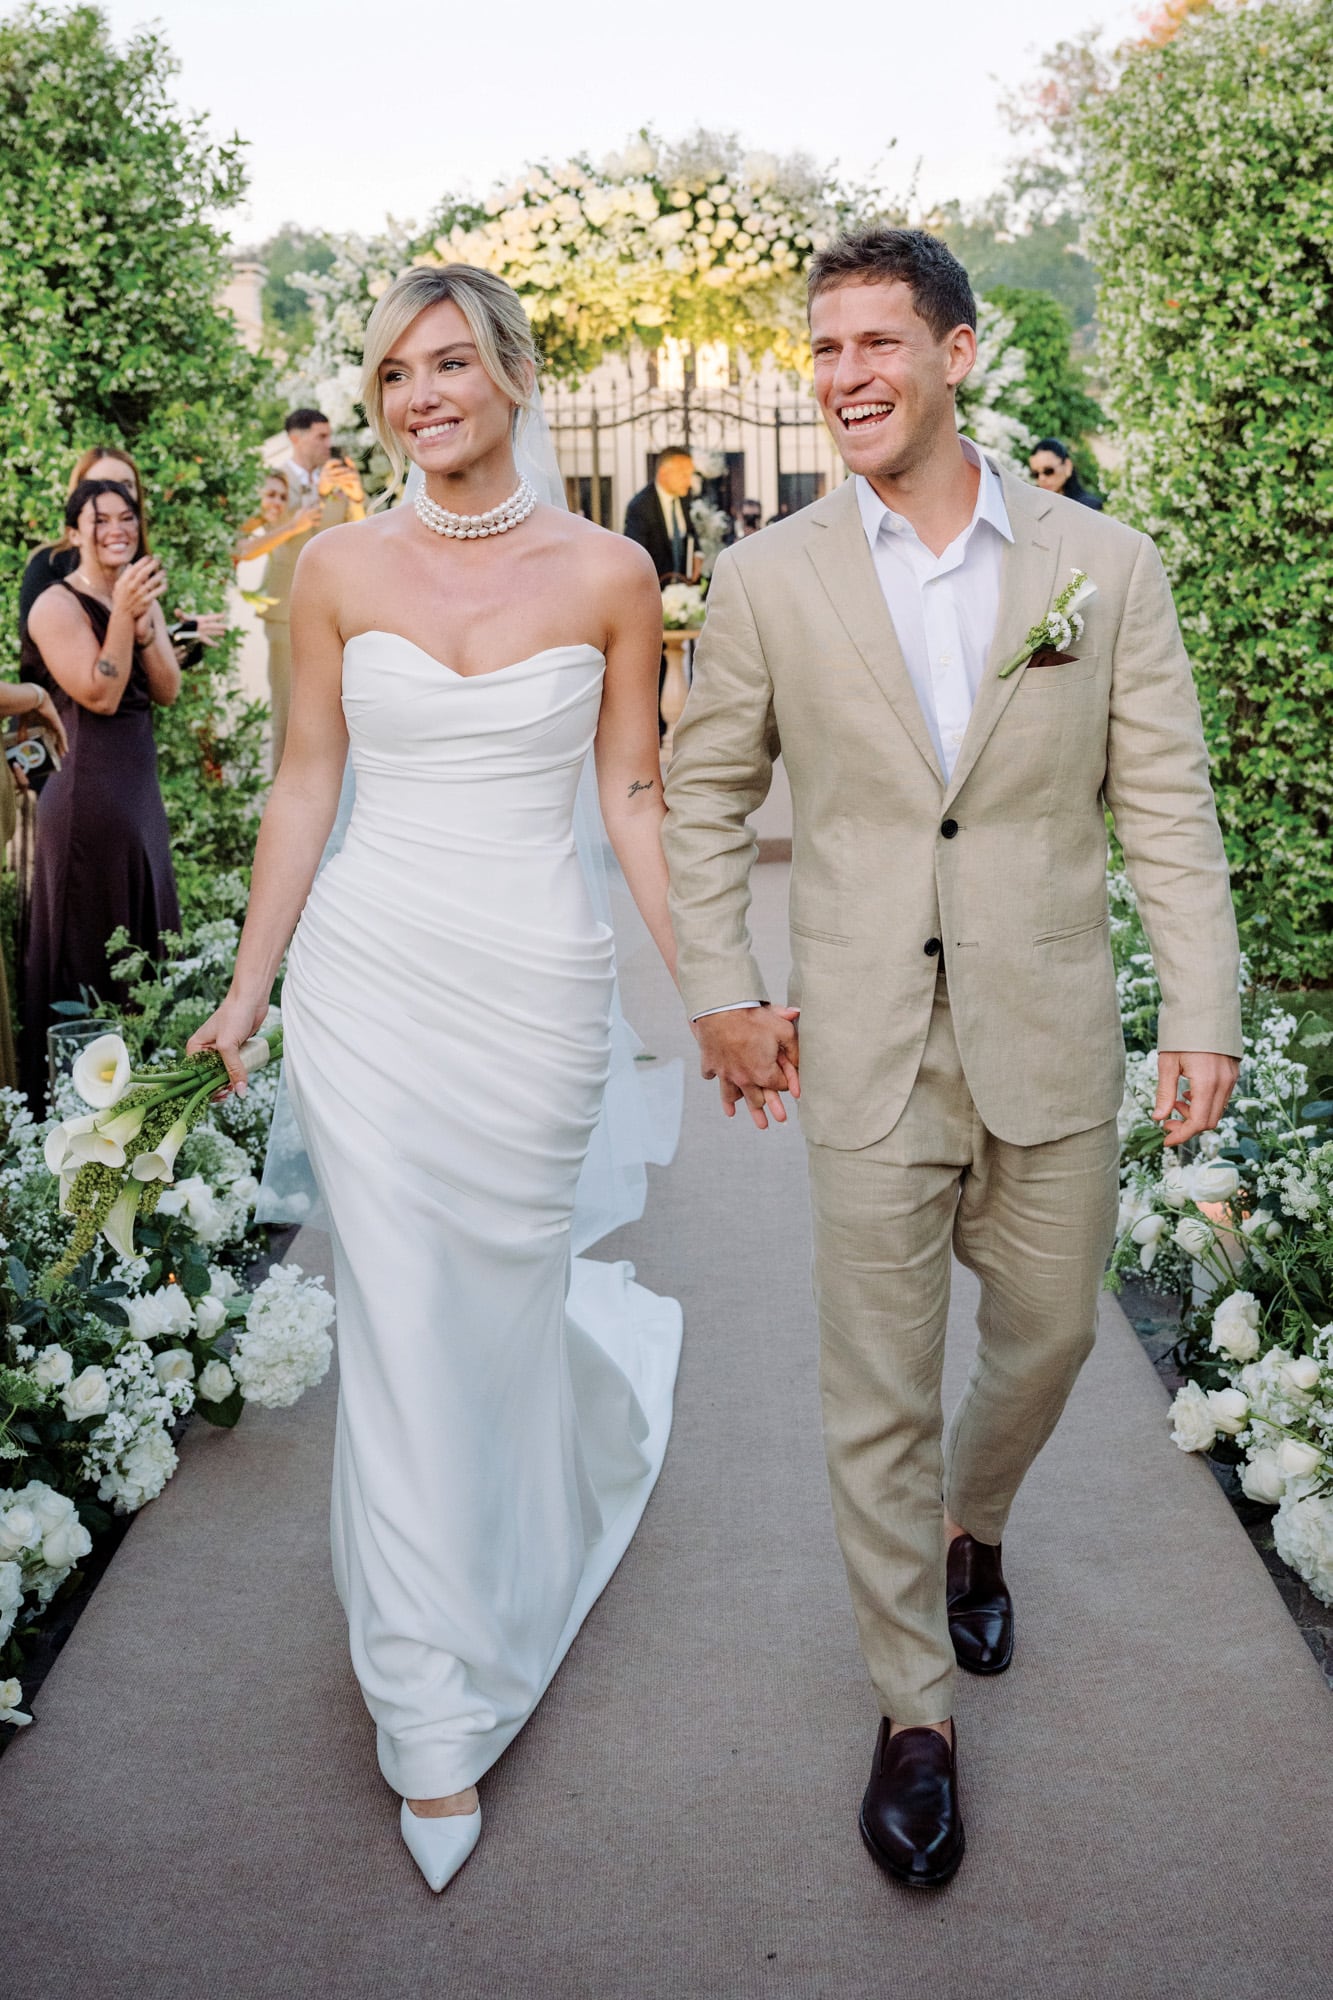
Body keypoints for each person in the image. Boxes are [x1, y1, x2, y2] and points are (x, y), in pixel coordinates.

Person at [664, 226, 1240, 1889]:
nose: (844, 376)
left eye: (876, 346)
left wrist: (1194, 999)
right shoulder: (770, 580)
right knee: (872, 1395)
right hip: (860, 1041)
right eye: (823, 348)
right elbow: (703, 796)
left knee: (1052, 1335)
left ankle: (970, 1524)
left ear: (957, 353)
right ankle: (912, 1713)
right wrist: (722, 980)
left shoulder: (1093, 567)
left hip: (1045, 1020)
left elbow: (1162, 799)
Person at [188, 265, 685, 1893]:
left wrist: (722, 988)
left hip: (534, 991)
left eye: (449, 364)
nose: (419, 397)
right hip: (370, 985)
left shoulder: (613, 574)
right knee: (399, 1327)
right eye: (395, 372)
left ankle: (526, 1531)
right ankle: (428, 1711)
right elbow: (301, 785)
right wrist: (250, 988)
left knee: (498, 1309)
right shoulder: (330, 565)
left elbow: (631, 795)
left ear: (512, 376)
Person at [22, 479, 182, 1107]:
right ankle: (76, 1111)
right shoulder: (54, 606)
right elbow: (99, 694)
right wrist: (120, 615)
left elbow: (166, 690)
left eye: (128, 518)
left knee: (143, 944)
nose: (118, 530)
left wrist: (144, 625)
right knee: (90, 948)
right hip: (87, 793)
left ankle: (144, 1099)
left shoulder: (135, 592)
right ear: (73, 532)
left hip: (138, 793)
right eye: (101, 520)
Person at [19, 445, 228, 662]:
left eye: (126, 486)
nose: (115, 494)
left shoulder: (134, 563)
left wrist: (180, 635)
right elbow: (49, 655)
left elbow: (136, 655)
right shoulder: (49, 563)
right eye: (100, 485)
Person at [258, 411, 366, 773]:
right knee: (288, 710)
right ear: (296, 438)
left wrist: (355, 498)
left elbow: (361, 538)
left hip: (334, 614)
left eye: (329, 435)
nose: (327, 443)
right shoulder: (275, 482)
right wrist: (316, 498)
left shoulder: (336, 477)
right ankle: (282, 796)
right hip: (285, 611)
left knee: (333, 710)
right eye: (320, 436)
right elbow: (281, 541)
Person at [622, 446, 700, 583]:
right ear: (664, 473)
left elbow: (691, 532)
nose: (689, 482)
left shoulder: (685, 497)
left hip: (686, 587)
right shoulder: (640, 507)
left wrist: (697, 554)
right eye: (684, 475)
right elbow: (636, 557)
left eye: (690, 475)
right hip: (655, 589)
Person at [231, 467, 321, 567]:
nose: (278, 503)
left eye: (283, 498)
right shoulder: (226, 519)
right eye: (271, 495)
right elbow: (243, 551)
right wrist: (294, 526)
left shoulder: (244, 532)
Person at [1029, 436, 1105, 510]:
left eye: (1048, 471)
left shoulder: (1090, 508)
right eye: (1035, 474)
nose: (1041, 478)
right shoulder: (1034, 509)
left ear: (1068, 466)